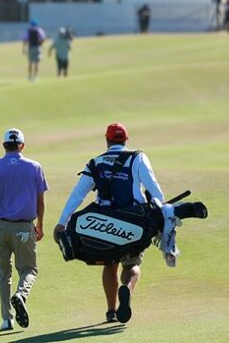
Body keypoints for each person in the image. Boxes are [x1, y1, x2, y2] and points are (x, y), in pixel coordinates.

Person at [53, 123, 164, 324]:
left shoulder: (95, 163)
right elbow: (155, 191)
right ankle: (127, 289)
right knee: (132, 264)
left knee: (110, 264)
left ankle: (111, 312)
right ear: (126, 140)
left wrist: (62, 223)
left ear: (107, 140)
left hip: (103, 223)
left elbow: (78, 194)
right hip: (132, 222)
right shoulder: (137, 157)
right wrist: (160, 212)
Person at [0, 128, 48, 331]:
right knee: (28, 269)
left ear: (3, 145)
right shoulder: (35, 167)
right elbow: (41, 202)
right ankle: (21, 294)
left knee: (3, 274)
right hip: (24, 227)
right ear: (22, 145)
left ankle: (6, 319)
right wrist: (40, 226)